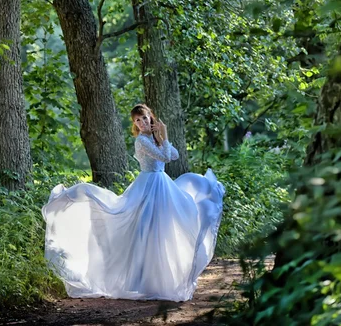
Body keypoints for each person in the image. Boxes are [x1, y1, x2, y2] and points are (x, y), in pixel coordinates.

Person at [41, 104, 225, 302]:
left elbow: (174, 155)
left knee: (162, 231)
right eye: (138, 121)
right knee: (144, 230)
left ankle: (158, 279)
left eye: (144, 118)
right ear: (135, 124)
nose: (142, 123)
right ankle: (137, 281)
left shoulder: (154, 138)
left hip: (162, 185)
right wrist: (165, 135)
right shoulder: (141, 141)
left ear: (150, 118)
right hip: (148, 186)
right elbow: (164, 156)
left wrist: (162, 136)